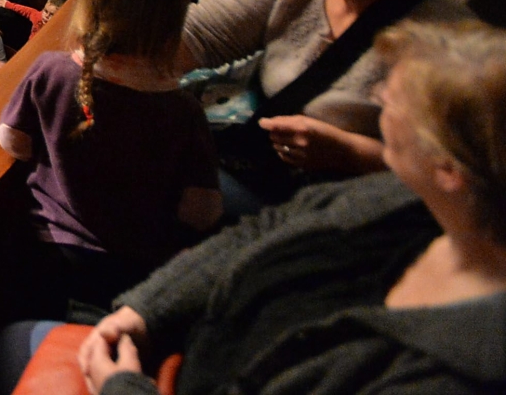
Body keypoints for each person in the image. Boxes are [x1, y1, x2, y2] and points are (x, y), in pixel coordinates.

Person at [55, 20, 506, 395]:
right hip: (191, 347)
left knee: (12, 343)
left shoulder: (452, 374)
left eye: (395, 100)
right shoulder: (403, 196)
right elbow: (264, 230)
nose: (377, 98)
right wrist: (146, 310)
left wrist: (124, 388)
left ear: (449, 170)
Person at [182, 0, 471, 214]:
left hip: (327, 204)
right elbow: (203, 32)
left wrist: (354, 153)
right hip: (249, 150)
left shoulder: (445, 44)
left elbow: (465, 179)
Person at [0, 0, 219, 314]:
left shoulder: (53, 70)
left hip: (48, 254)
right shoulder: (184, 109)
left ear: (90, 9)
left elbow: (13, 141)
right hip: (134, 274)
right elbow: (203, 211)